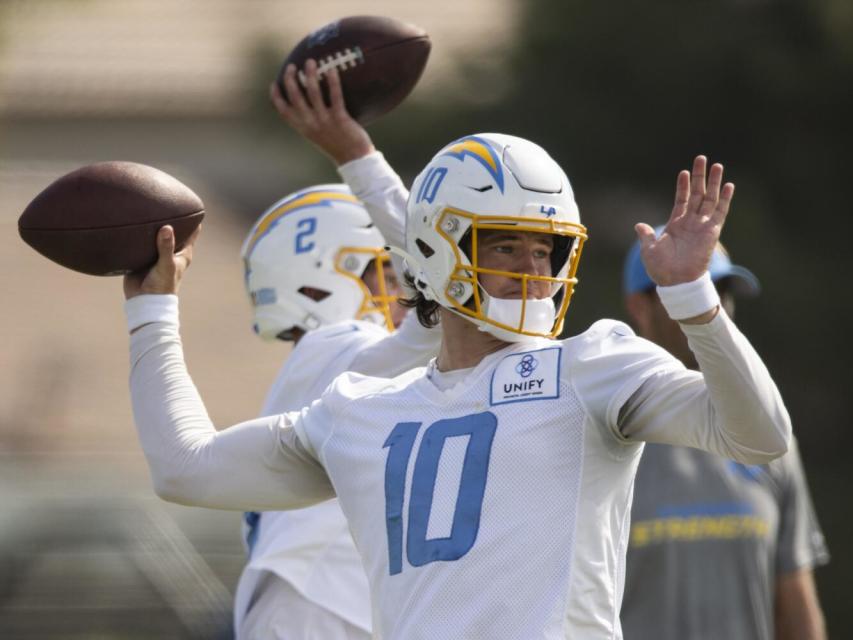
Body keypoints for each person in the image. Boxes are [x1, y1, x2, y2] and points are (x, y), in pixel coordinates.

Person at [122, 64, 791, 639]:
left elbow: (759, 435)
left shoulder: (593, 366)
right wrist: (151, 308)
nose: (533, 269)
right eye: (505, 245)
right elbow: (184, 469)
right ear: (441, 250)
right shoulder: (357, 408)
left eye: (546, 249)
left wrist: (695, 302)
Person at [234, 181, 441, 638]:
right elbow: (443, 318)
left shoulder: (321, 362)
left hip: (322, 600)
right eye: (390, 277)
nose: (407, 295)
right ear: (317, 282)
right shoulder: (338, 346)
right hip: (321, 604)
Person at [620, 239, 830, 640]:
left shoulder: (769, 442)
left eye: (721, 294)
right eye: (689, 292)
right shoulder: (603, 436)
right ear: (639, 307)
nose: (714, 309)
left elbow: (795, 600)